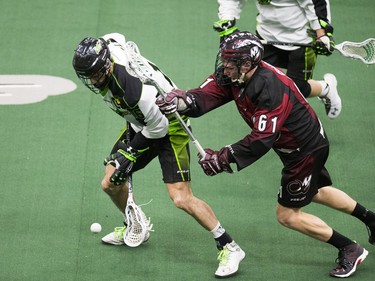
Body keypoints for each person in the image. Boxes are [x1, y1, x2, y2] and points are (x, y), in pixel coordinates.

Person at [156, 31, 375, 278]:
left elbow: (261, 139)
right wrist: (182, 102)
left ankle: (349, 248)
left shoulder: (269, 89)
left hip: (304, 151)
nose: (224, 68)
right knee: (315, 191)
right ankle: (371, 219)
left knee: (287, 215)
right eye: (224, 60)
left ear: (247, 64)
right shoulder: (235, 76)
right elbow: (206, 95)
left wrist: (222, 158)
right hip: (297, 145)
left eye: (230, 63)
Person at [72, 32, 245, 278]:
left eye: (96, 74)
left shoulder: (132, 90)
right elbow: (115, 36)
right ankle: (135, 223)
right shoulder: (109, 49)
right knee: (111, 181)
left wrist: (130, 154)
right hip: (140, 122)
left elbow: (158, 128)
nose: (93, 80)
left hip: (169, 125)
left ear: (107, 65)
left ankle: (229, 245)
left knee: (181, 197)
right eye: (87, 76)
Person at [213, 0, 342, 119]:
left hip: (301, 39)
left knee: (296, 90)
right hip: (266, 35)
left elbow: (315, 2)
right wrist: (227, 20)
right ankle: (269, 120)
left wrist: (323, 35)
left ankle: (326, 88)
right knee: (257, 82)